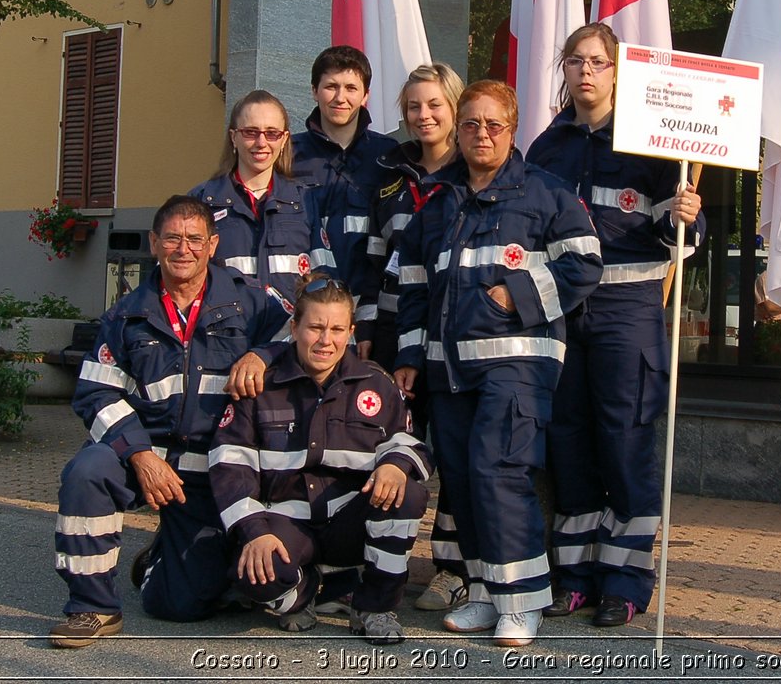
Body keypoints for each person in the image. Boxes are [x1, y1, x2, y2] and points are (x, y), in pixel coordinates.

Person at [392, 79, 602, 647]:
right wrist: (410, 354)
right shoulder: (436, 199)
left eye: (494, 125)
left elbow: (585, 265)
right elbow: (408, 283)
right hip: (446, 368)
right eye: (470, 124)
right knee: (461, 481)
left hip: (518, 363)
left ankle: (523, 600)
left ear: (513, 131)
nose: (481, 134)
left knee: (498, 472)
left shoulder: (547, 193)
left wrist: (517, 294)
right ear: (457, 130)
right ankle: (487, 592)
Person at [49, 195, 290, 648]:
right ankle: (91, 607)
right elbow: (96, 392)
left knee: (180, 606)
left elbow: (297, 335)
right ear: (155, 243)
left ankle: (162, 558)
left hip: (214, 467)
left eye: (195, 239)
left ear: (213, 244)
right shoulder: (126, 314)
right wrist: (139, 454)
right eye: (173, 238)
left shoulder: (251, 300)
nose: (184, 248)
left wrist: (262, 353)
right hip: (147, 453)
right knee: (87, 471)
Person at [524, 22, 704, 628]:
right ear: (565, 71)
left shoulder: (653, 142)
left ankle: (625, 581)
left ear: (618, 70)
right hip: (564, 311)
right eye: (575, 61)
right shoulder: (547, 148)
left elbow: (677, 237)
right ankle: (573, 575)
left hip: (628, 309)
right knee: (568, 437)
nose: (586, 72)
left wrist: (687, 216)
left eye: (598, 62)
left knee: (624, 438)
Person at [209, 272, 431, 646]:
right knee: (253, 577)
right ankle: (308, 590)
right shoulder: (260, 384)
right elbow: (230, 465)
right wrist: (254, 531)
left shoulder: (376, 382)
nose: (326, 340)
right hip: (286, 523)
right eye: (315, 327)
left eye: (336, 329)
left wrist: (395, 463)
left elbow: (411, 443)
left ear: (351, 332)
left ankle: (375, 606)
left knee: (406, 493)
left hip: (349, 522)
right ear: (294, 327)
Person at [362, 62, 467, 612]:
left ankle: (451, 568)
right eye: (413, 106)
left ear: (453, 108)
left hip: (450, 335)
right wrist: (363, 330)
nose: (423, 116)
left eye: (434, 105)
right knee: (388, 443)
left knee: (449, 450)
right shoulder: (389, 174)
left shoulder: (471, 172)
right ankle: (379, 562)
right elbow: (372, 259)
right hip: (389, 331)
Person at [289, 46, 399, 328]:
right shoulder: (288, 155)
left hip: (372, 312)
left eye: (351, 88)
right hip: (307, 313)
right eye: (331, 86)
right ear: (314, 90)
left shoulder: (389, 157)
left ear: (366, 95)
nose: (341, 97)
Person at [190, 90, 316, 315]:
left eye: (272, 133)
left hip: (287, 343)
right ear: (233, 137)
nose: (261, 142)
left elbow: (322, 281)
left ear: (284, 139)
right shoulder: (201, 203)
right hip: (222, 341)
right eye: (250, 132)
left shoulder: (307, 202)